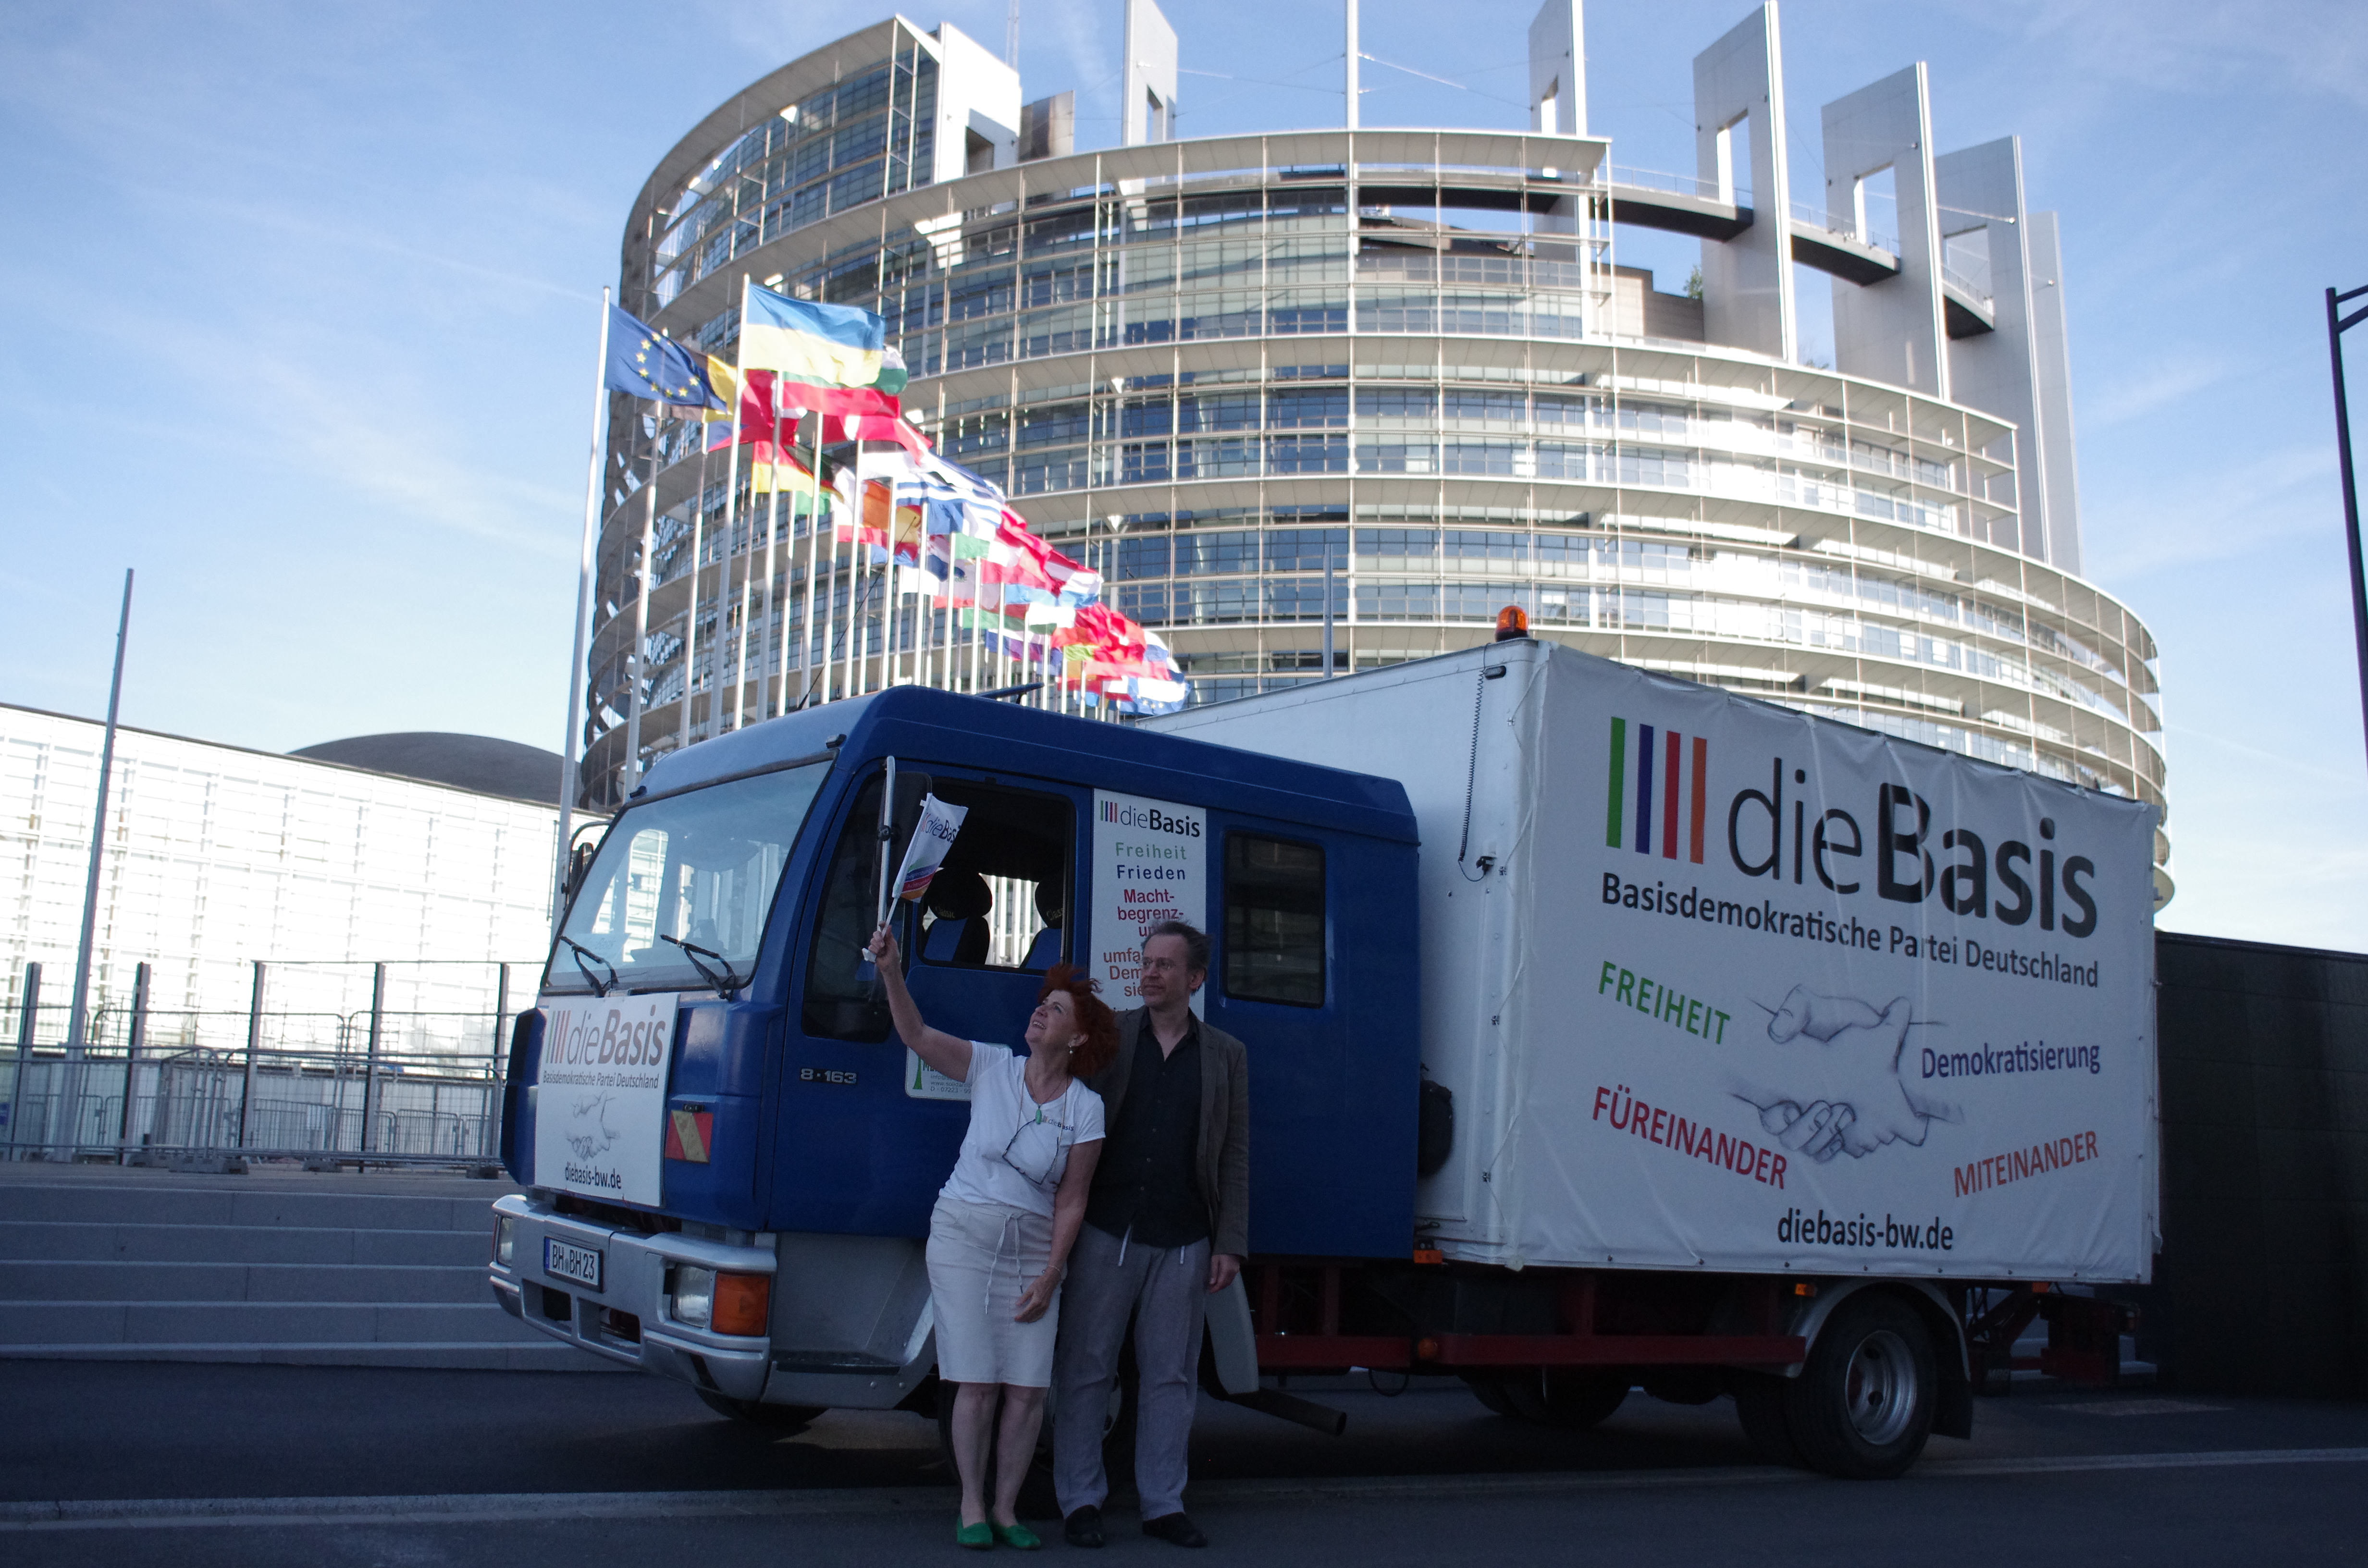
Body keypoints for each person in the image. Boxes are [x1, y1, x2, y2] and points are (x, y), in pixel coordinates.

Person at [868, 921, 1120, 1551]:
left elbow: (1073, 1197)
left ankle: (1009, 1509)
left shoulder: (1085, 1107)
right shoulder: (991, 1067)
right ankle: (973, 1504)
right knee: (976, 1382)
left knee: (1029, 1388)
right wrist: (894, 970)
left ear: (1078, 1037)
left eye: (1055, 1011)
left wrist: (1052, 1271)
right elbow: (917, 1036)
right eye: (1041, 1006)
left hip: (1035, 1249)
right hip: (963, 1236)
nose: (1039, 1016)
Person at [1053, 919, 1248, 1550]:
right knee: (1086, 1369)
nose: (1151, 973)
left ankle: (1163, 1504)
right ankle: (1080, 1500)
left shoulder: (1226, 1054)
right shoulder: (1113, 1037)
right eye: (1146, 962)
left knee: (1171, 1378)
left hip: (1186, 1237)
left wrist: (1230, 1242)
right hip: (1108, 1227)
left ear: (1194, 979)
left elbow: (1235, 1154)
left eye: (1166, 964)